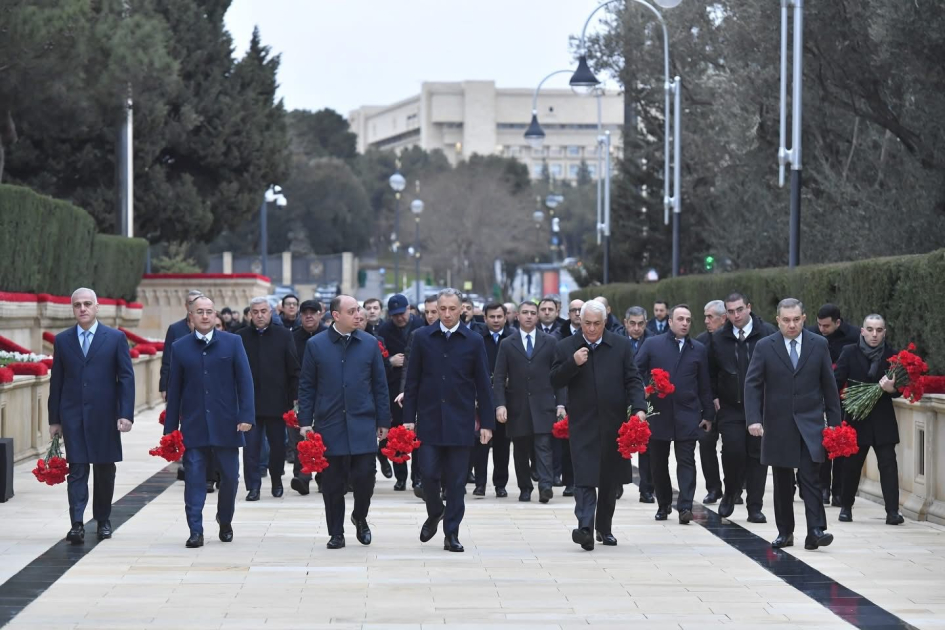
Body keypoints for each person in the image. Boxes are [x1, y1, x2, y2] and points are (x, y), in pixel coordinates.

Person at [402, 288, 495, 553]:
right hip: (430, 419)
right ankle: (435, 512)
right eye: (441, 309)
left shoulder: (474, 341)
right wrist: (409, 418)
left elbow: (483, 385)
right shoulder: (421, 337)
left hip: (460, 421)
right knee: (427, 475)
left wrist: (487, 423)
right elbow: (413, 381)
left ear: (461, 309)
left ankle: (451, 533)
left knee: (456, 482)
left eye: (452, 309)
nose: (446, 314)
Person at [745, 298, 842, 550]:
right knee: (782, 482)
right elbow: (752, 384)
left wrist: (834, 423)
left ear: (804, 318)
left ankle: (816, 530)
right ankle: (785, 532)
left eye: (796, 319)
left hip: (810, 424)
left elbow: (829, 386)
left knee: (811, 477)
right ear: (777, 320)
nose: (791, 325)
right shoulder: (765, 347)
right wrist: (753, 419)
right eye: (786, 320)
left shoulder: (818, 344)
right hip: (778, 425)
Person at [550, 300, 647, 550]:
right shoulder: (566, 346)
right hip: (582, 423)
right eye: (587, 323)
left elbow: (633, 379)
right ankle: (584, 527)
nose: (591, 329)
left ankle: (604, 528)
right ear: (579, 322)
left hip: (613, 423)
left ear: (605, 323)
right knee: (584, 476)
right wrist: (573, 363)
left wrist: (639, 409)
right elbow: (554, 380)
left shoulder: (621, 345)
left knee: (607, 479)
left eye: (597, 324)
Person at [297, 295, 390, 549]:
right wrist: (305, 421)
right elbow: (306, 386)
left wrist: (384, 420)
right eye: (352, 310)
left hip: (362, 423)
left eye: (359, 309)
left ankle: (360, 517)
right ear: (336, 316)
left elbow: (380, 386)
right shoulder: (316, 345)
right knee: (332, 482)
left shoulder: (370, 344)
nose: (358, 314)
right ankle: (335, 532)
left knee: (365, 478)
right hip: (330, 424)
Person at [164, 295, 255, 548]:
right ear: (190, 317)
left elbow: (245, 382)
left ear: (215, 316)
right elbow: (175, 391)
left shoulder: (232, 342)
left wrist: (246, 416)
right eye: (199, 312)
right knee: (193, 477)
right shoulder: (180, 347)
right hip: (194, 426)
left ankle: (225, 519)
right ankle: (195, 530)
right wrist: (170, 430)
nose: (205, 316)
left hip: (227, 424)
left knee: (231, 478)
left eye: (209, 311)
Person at [48, 288, 135, 545]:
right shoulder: (63, 340)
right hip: (73, 415)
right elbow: (57, 381)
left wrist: (125, 413)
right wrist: (55, 419)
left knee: (105, 470)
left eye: (87, 304)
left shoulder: (115, 338)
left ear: (97, 308)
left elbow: (126, 378)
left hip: (106, 416)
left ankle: (103, 519)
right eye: (77, 305)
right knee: (77, 469)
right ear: (73, 309)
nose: (82, 308)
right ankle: (76, 523)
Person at [635, 304, 715, 524]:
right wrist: (644, 391)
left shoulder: (698, 349)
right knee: (658, 462)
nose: (685, 323)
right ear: (670, 322)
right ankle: (663, 504)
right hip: (658, 412)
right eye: (680, 319)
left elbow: (704, 384)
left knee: (686, 460)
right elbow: (635, 371)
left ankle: (685, 507)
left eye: (688, 319)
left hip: (687, 413)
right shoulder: (653, 344)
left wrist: (708, 414)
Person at [711, 292, 777, 522]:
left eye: (739, 309)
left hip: (760, 407)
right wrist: (713, 395)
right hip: (731, 406)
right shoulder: (719, 338)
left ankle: (755, 506)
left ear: (748, 307)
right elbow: (711, 371)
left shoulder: (767, 333)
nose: (736, 315)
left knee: (757, 455)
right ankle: (730, 493)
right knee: (733, 451)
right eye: (730, 311)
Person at [834, 314, 904, 525]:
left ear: (884, 332)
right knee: (852, 466)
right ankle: (846, 507)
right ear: (862, 331)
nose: (874, 334)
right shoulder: (849, 352)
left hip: (883, 420)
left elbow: (898, 389)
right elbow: (837, 382)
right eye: (870, 329)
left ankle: (892, 512)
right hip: (857, 418)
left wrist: (891, 389)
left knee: (889, 465)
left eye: (879, 330)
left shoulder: (892, 356)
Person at [493, 301, 566, 503]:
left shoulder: (550, 342)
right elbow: (499, 377)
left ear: (537, 316)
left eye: (532, 313)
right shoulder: (507, 343)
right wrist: (500, 404)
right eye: (524, 313)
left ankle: (545, 486)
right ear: (517, 315)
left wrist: (561, 403)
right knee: (521, 449)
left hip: (543, 404)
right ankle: (525, 487)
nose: (529, 316)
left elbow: (559, 375)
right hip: (517, 405)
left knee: (544, 446)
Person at [237, 297, 299, 501]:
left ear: (270, 312)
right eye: (255, 312)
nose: (260, 315)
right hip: (250, 405)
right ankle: (253, 486)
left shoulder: (283, 336)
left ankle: (276, 481)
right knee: (251, 449)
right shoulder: (241, 337)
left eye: (264, 311)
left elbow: (293, 369)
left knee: (277, 447)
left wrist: (293, 399)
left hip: (277, 402)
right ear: (250, 314)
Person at [810, 303, 860, 507]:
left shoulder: (855, 336)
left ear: (838, 322)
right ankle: (822, 488)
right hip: (817, 397)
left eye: (827, 326)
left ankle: (838, 490)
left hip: (844, 397)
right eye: (819, 325)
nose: (822, 330)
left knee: (841, 444)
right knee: (821, 443)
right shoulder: (811, 335)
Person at [377, 294, 424, 490]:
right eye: (395, 315)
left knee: (417, 433)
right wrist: (390, 362)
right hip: (393, 387)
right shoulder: (384, 330)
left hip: (417, 387)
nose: (399, 318)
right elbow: (376, 361)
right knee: (396, 434)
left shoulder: (420, 326)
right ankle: (401, 476)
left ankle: (417, 477)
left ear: (409, 309)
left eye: (402, 313)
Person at [471, 302, 515, 497]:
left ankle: (500, 484)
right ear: (485, 318)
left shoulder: (512, 338)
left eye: (499, 316)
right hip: (481, 397)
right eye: (492, 317)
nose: (496, 320)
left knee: (502, 445)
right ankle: (479, 483)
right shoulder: (477, 338)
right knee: (481, 442)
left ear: (505, 317)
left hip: (505, 398)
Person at [695, 299, 725, 505]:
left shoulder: (734, 340)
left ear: (723, 319)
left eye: (710, 317)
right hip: (706, 402)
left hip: (731, 402)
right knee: (706, 444)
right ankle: (713, 488)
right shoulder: (701, 341)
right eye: (705, 316)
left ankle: (734, 487)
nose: (706, 321)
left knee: (733, 447)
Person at [624, 306, 654, 503]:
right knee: (619, 443)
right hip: (620, 397)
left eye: (640, 324)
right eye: (632, 324)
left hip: (645, 400)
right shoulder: (616, 341)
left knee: (646, 447)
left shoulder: (653, 341)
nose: (636, 328)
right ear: (626, 323)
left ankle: (646, 488)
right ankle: (616, 483)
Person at [159, 289, 204, 401]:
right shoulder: (175, 329)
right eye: (190, 303)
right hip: (179, 382)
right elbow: (167, 359)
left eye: (196, 302)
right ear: (186, 306)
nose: (193, 305)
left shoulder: (208, 328)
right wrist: (164, 387)